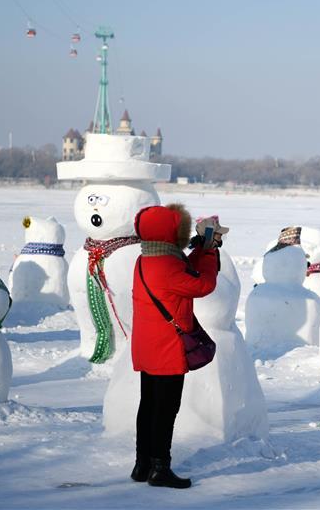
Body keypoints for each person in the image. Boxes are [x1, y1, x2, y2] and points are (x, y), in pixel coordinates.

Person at [129, 204, 226, 488]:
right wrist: (208, 251)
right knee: (166, 408)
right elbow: (203, 284)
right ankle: (161, 468)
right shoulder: (168, 265)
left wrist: (198, 250)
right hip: (168, 348)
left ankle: (142, 464)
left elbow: (183, 271)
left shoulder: (146, 259)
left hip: (147, 347)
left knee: (148, 405)